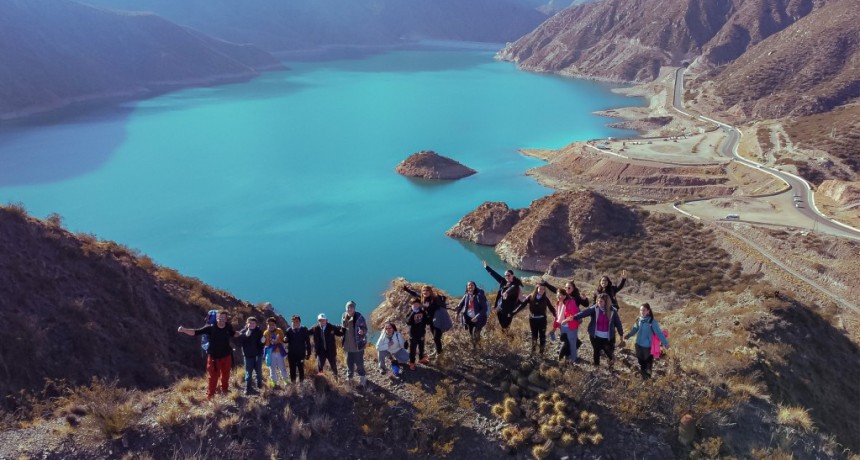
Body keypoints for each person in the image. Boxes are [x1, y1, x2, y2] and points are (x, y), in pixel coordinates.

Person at [177, 310, 241, 400]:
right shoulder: (210, 328)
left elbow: (232, 334)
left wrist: (238, 334)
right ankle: (210, 396)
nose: (221, 319)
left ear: (226, 319)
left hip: (227, 356)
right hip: (214, 358)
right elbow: (196, 332)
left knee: (226, 374)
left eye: (223, 318)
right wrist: (184, 330)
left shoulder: (228, 326)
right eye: (220, 317)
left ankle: (225, 389)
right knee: (213, 377)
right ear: (217, 318)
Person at [574, 293, 624, 368]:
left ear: (606, 302)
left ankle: (611, 365)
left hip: (608, 337)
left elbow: (618, 323)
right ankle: (596, 367)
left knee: (609, 353)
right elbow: (584, 313)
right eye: (597, 301)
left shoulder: (613, 311)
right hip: (595, 336)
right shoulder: (595, 308)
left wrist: (621, 334)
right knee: (596, 351)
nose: (598, 303)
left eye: (601, 301)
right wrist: (573, 317)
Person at [624, 303, 670, 379]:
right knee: (641, 362)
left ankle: (647, 379)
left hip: (647, 347)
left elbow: (659, 333)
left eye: (644, 310)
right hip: (638, 345)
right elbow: (635, 329)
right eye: (641, 310)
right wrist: (628, 335)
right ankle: (644, 377)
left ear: (648, 311)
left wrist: (666, 343)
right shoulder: (639, 319)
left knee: (648, 364)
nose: (642, 312)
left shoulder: (652, 322)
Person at [513, 284, 557, 355]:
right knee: (534, 335)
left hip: (542, 320)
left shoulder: (545, 298)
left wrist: (556, 315)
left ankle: (541, 353)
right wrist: (514, 312)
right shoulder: (531, 297)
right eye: (540, 289)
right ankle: (533, 351)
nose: (542, 290)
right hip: (533, 319)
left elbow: (551, 308)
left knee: (542, 336)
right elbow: (522, 305)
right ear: (537, 289)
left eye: (543, 289)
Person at [482, 260, 523, 330]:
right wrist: (487, 267)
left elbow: (512, 289)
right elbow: (495, 275)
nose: (507, 277)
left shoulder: (515, 285)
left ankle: (509, 339)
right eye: (505, 275)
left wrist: (506, 292)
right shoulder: (503, 282)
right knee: (502, 326)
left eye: (508, 275)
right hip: (499, 308)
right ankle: (506, 337)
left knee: (506, 326)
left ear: (513, 275)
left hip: (508, 310)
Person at [342, 300, 368, 387]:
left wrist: (362, 331)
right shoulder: (344, 316)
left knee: (359, 363)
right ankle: (350, 378)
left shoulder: (359, 317)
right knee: (349, 363)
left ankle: (362, 378)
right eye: (348, 307)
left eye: (351, 307)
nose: (350, 309)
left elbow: (365, 328)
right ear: (346, 308)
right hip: (348, 346)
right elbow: (343, 328)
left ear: (354, 308)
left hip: (358, 346)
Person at [550, 289, 580, 363]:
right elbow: (557, 317)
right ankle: (567, 356)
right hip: (563, 327)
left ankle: (573, 359)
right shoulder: (558, 303)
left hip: (571, 326)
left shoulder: (571, 302)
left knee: (572, 343)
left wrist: (565, 320)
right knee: (565, 342)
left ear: (564, 295)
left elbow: (573, 315)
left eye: (560, 295)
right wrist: (554, 328)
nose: (558, 296)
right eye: (557, 295)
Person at [237, 317, 264, 395]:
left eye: (253, 323)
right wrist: (245, 336)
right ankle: (247, 388)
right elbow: (239, 343)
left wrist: (262, 342)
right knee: (248, 372)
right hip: (248, 356)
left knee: (258, 371)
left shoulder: (259, 332)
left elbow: (261, 344)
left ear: (256, 324)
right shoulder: (243, 332)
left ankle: (259, 386)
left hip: (258, 355)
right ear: (247, 323)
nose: (252, 324)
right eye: (250, 323)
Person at [456, 281, 489, 346]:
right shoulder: (467, 294)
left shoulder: (479, 295)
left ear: (475, 286)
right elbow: (461, 304)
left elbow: (484, 309)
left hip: (479, 319)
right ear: (467, 287)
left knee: (476, 332)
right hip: (469, 318)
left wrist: (476, 317)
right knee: (471, 332)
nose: (470, 286)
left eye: (472, 285)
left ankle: (478, 346)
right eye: (468, 285)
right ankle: (474, 346)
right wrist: (457, 313)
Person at [284, 315, 312, 383]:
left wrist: (308, 353)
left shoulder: (304, 329)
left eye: (297, 321)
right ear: (291, 323)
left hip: (301, 354)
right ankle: (293, 383)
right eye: (293, 322)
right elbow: (286, 340)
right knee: (292, 369)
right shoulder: (289, 330)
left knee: (301, 368)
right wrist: (284, 339)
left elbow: (308, 342)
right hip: (291, 354)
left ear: (300, 322)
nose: (295, 323)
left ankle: (301, 383)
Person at [263, 318, 289, 387]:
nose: (271, 326)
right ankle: (274, 382)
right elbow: (265, 344)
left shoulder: (279, 331)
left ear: (275, 325)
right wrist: (268, 340)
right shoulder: (266, 333)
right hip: (271, 353)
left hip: (279, 352)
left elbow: (283, 340)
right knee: (272, 368)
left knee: (282, 367)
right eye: (269, 324)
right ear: (267, 325)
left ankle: (285, 380)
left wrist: (278, 340)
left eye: (272, 324)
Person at [405, 297, 430, 370]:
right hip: (413, 335)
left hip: (421, 333)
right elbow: (408, 322)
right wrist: (413, 313)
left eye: (417, 304)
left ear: (419, 304)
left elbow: (427, 321)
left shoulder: (422, 312)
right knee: (413, 349)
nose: (416, 305)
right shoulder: (410, 312)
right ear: (411, 305)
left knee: (421, 347)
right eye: (414, 304)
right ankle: (412, 363)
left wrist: (426, 310)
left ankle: (421, 358)